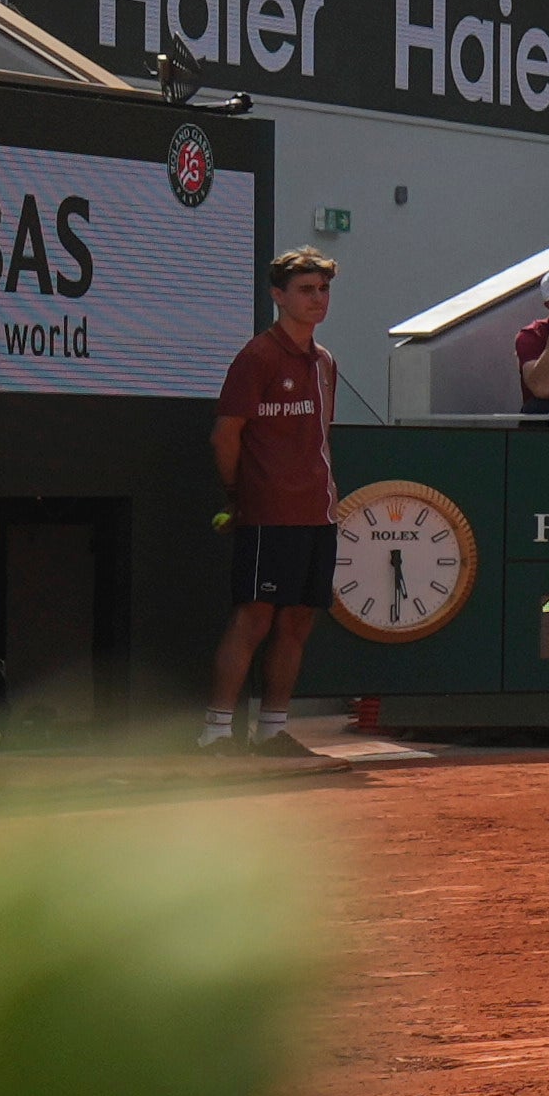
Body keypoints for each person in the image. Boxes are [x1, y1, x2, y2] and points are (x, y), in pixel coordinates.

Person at [205, 252, 345, 750]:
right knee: (255, 617)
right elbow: (226, 436)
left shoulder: (325, 362)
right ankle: (217, 732)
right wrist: (239, 495)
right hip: (267, 512)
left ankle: (273, 730)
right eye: (306, 289)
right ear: (278, 296)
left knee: (298, 620)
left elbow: (319, 438)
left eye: (323, 290)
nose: (317, 299)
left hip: (317, 513)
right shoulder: (257, 357)